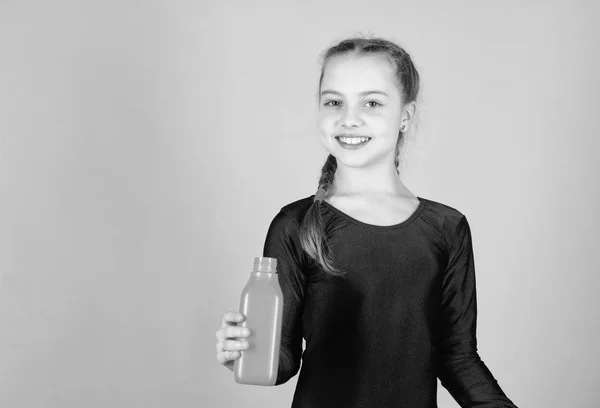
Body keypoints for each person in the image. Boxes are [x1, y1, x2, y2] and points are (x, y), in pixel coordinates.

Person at [215, 35, 518, 408]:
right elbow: (282, 358)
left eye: (371, 102)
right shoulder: (295, 225)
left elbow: (457, 356)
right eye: (334, 102)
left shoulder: (446, 228)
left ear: (405, 115)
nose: (350, 118)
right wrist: (244, 354)